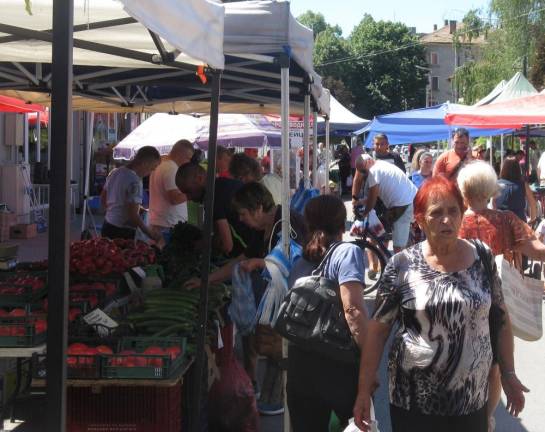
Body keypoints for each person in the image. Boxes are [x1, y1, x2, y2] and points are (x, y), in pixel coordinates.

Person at [354, 175, 528, 432]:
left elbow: (500, 318)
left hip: (471, 398)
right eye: (437, 213)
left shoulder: (482, 256)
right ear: (420, 219)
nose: (447, 220)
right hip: (413, 400)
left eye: (453, 211)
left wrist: (509, 374)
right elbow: (378, 331)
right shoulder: (401, 265)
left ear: (461, 213)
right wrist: (364, 388)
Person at [185, 182, 306, 415]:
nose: (240, 220)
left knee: (279, 347)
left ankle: (283, 399)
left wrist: (261, 263)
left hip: (296, 301)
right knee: (271, 346)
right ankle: (275, 396)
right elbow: (240, 259)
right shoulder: (264, 228)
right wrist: (207, 280)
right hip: (280, 301)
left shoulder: (287, 224)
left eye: (243, 213)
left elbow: (297, 262)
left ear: (258, 207)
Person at [457, 160, 545, 430]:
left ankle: (466, 410)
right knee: (497, 364)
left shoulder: (456, 222)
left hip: (463, 302)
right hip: (499, 304)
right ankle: (486, 418)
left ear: (463, 191)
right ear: (492, 190)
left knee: (464, 360)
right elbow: (539, 251)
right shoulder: (507, 220)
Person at [286, 195, 369, 431]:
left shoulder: (300, 260)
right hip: (337, 365)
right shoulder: (347, 252)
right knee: (356, 426)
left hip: (300, 365)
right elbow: (353, 311)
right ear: (342, 224)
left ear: (308, 223)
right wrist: (369, 358)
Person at [175, 162, 253, 257]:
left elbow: (227, 245)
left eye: (188, 191)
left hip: (253, 250)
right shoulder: (223, 184)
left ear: (199, 179)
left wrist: (201, 246)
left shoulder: (212, 197)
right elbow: (218, 234)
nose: (188, 198)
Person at [352, 154, 417, 252]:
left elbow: (372, 199)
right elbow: (375, 194)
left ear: (369, 161)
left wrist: (364, 214)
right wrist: (360, 201)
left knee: (398, 247)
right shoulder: (381, 165)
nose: (363, 174)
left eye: (363, 171)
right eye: (360, 172)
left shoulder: (373, 171)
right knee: (385, 225)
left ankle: (400, 266)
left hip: (403, 204)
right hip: (408, 200)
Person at [100, 146, 162, 242]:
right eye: (152, 168)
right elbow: (133, 215)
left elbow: (103, 199)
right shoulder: (135, 181)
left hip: (107, 225)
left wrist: (113, 213)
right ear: (145, 163)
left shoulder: (115, 172)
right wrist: (150, 234)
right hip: (122, 231)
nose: (150, 173)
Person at [148, 139, 194, 237]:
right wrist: (193, 193)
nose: (188, 162)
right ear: (180, 154)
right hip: (168, 225)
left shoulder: (160, 165)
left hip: (161, 222)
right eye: (188, 158)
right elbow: (174, 199)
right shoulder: (172, 169)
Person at [494, 156, 537, 223]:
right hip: (519, 223)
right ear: (518, 169)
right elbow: (533, 204)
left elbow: (493, 204)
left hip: (501, 222)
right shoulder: (523, 185)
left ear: (503, 168)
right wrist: (532, 220)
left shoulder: (497, 184)